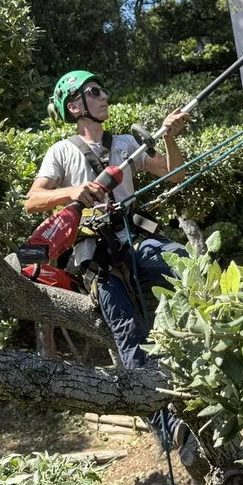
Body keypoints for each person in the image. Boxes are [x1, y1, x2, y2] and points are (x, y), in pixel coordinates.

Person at [24, 70, 194, 451]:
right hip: (95, 255)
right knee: (129, 339)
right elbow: (33, 199)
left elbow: (175, 174)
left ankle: (204, 362)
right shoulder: (62, 151)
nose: (105, 97)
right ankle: (168, 428)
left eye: (102, 91)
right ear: (75, 106)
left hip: (138, 240)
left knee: (186, 265)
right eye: (94, 92)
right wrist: (74, 190)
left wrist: (166, 135)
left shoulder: (127, 144)